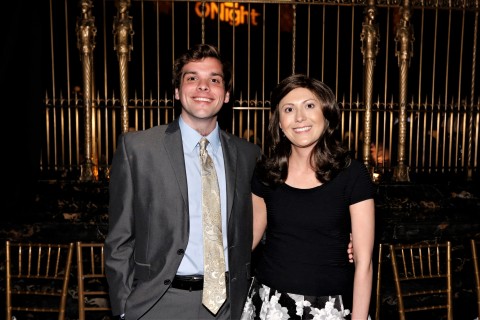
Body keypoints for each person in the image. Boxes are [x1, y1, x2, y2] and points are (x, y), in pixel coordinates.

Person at [104, 44, 262, 320]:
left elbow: (273, 215)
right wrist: (124, 307)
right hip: (158, 303)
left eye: (214, 80)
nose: (203, 86)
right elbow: (119, 239)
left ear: (225, 95)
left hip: (227, 306)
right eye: (192, 78)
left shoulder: (248, 155)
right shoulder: (139, 149)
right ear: (177, 92)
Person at [242, 74, 375, 320]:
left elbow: (364, 264)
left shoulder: (351, 174)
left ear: (326, 115)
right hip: (272, 304)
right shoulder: (266, 173)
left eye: (310, 106)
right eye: (289, 109)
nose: (300, 117)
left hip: (332, 307)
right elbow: (246, 242)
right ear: (280, 123)